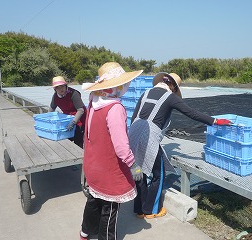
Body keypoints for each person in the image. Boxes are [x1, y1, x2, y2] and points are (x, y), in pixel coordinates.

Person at [128, 72, 232, 219]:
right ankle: (152, 210)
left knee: (140, 171)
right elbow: (191, 113)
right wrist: (215, 121)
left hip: (133, 132)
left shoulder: (146, 93)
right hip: (148, 135)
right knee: (159, 173)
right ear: (172, 86)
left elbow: (134, 116)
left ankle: (139, 209)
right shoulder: (169, 97)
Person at [79, 62, 144, 240]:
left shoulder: (93, 99)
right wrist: (133, 164)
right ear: (117, 86)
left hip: (93, 164)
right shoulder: (115, 108)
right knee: (110, 209)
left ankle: (84, 233)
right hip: (109, 169)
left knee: (93, 201)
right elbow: (121, 147)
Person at [49, 76, 86, 148]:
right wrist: (47, 120)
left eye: (62, 86)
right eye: (58, 87)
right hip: (67, 119)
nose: (61, 89)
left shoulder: (74, 93)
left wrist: (73, 122)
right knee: (66, 140)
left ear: (66, 86)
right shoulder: (55, 96)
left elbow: (81, 110)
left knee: (78, 141)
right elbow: (51, 108)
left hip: (79, 119)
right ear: (55, 89)